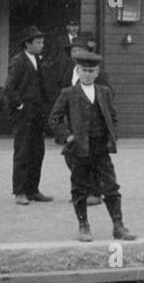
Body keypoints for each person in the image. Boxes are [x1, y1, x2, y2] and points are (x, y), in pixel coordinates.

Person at [48, 46, 136, 242]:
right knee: (79, 188)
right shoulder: (68, 93)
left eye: (91, 71)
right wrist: (68, 136)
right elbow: (54, 119)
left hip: (100, 148)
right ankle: (83, 226)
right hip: (79, 149)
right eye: (83, 71)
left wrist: (113, 135)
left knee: (111, 187)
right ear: (77, 71)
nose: (87, 75)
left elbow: (113, 116)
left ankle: (118, 226)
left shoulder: (104, 92)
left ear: (97, 72)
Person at [2, 25, 53, 205]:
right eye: (38, 42)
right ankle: (20, 192)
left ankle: (33, 190)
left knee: (37, 151)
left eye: (42, 41)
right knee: (22, 152)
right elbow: (9, 88)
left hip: (37, 113)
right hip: (24, 114)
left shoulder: (37, 59)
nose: (42, 45)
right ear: (27, 44)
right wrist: (20, 105)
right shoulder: (18, 61)